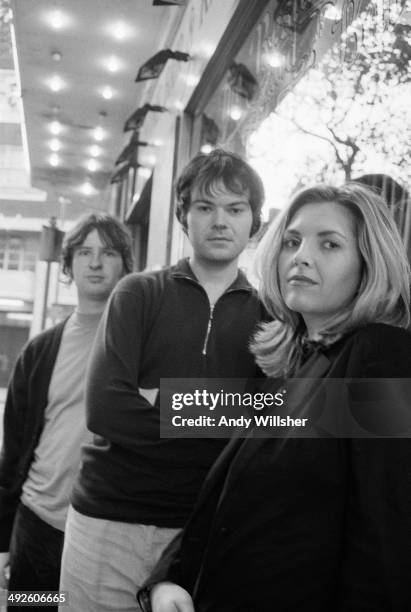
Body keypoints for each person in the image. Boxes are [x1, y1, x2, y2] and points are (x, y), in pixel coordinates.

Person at [142, 183, 411, 612]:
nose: (301, 256)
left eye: (330, 244)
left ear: (368, 265)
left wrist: (170, 405)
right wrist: (169, 578)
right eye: (292, 240)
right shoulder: (296, 366)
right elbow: (229, 493)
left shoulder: (379, 353)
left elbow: (384, 541)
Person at [59, 149, 266, 611]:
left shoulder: (269, 316)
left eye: (235, 209)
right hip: (108, 519)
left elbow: (268, 428)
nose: (219, 221)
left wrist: (161, 401)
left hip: (198, 530)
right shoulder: (138, 292)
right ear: (182, 216)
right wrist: (230, 410)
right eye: (204, 207)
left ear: (254, 221)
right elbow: (107, 409)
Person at [0, 213, 133, 609]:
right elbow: (13, 451)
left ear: (125, 264)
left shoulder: (140, 344)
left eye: (107, 253)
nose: (95, 263)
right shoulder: (39, 351)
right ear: (69, 265)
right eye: (85, 252)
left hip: (105, 531)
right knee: (35, 606)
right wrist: (3, 538)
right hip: (39, 525)